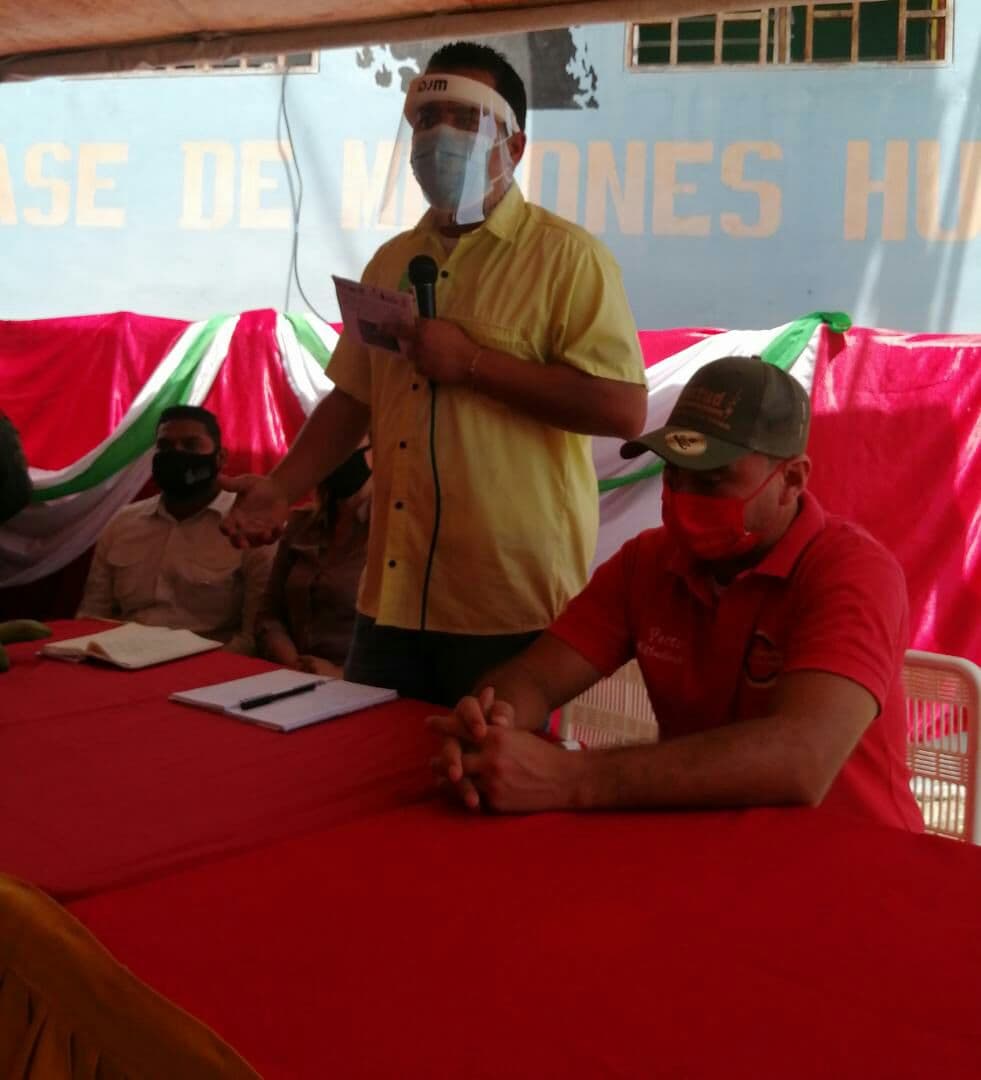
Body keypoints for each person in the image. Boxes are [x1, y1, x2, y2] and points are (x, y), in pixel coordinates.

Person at [220, 42, 647, 705]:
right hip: (391, 595)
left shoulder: (568, 260)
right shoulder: (390, 261)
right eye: (426, 119)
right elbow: (353, 397)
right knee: (367, 764)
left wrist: (472, 363)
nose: (439, 136)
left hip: (506, 603)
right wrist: (281, 488)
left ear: (514, 145)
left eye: (465, 118)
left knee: (484, 764)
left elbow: (622, 410)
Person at [430, 356, 924, 833]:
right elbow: (536, 679)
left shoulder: (852, 571)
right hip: (701, 845)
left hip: (856, 857)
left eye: (710, 481)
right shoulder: (648, 562)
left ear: (791, 480)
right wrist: (490, 727)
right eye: (673, 474)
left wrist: (569, 778)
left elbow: (801, 757)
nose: (683, 498)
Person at [77, 405, 274, 653]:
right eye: (165, 447)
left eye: (191, 445)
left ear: (221, 457)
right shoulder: (123, 523)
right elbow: (93, 614)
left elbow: (254, 636)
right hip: (121, 659)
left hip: (209, 665)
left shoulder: (247, 527)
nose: (176, 454)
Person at [254, 445, 372, 677]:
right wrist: (294, 662)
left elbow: (406, 645)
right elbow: (269, 614)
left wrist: (340, 673)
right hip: (292, 674)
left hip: (360, 683)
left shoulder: (394, 536)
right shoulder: (301, 524)